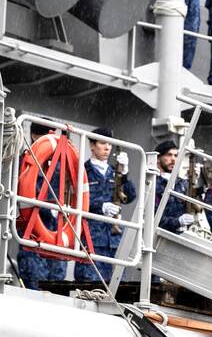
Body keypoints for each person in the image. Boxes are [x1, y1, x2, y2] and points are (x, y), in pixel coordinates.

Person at [74, 128, 137, 283]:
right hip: (91, 239)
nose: (107, 147)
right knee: (88, 285)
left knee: (116, 285)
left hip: (113, 240)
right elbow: (75, 201)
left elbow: (130, 197)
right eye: (102, 143)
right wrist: (100, 207)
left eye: (109, 144)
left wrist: (125, 173)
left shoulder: (116, 173)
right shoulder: (83, 171)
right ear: (92, 146)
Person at [15, 122, 66, 290]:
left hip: (55, 235)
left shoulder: (59, 166)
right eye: (46, 135)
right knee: (34, 281)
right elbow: (25, 192)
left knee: (56, 284)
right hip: (33, 234)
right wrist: (47, 206)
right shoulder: (23, 163)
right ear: (35, 137)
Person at [154, 140, 195, 234]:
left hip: (182, 235)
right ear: (158, 158)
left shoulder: (182, 183)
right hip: (160, 235)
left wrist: (196, 182)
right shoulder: (154, 183)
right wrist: (177, 222)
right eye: (169, 155)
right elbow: (154, 217)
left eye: (175, 155)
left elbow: (196, 207)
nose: (173, 159)